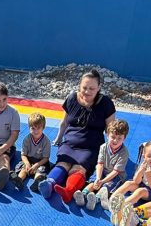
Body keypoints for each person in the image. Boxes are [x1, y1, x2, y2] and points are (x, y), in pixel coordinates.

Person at [38, 69, 116, 200]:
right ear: (79, 86)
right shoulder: (72, 98)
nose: (87, 91)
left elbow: (111, 130)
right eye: (84, 87)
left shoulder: (106, 103)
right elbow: (64, 123)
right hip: (70, 142)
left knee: (79, 168)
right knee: (63, 163)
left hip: (91, 146)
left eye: (92, 88)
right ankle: (49, 184)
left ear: (99, 88)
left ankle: (68, 191)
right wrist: (58, 139)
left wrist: (110, 151)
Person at [112, 139, 151, 226]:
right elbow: (136, 181)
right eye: (149, 156)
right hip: (143, 185)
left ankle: (122, 208)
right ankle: (113, 200)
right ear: (144, 156)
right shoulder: (144, 163)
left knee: (140, 191)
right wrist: (140, 171)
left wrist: (149, 177)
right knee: (128, 183)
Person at [73, 119, 129, 210]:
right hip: (103, 171)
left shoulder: (124, 153)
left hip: (116, 176)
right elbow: (100, 164)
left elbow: (116, 172)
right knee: (93, 181)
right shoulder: (103, 147)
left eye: (119, 138)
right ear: (107, 135)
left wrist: (102, 181)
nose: (115, 140)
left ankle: (95, 199)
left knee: (106, 186)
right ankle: (83, 195)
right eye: (113, 137)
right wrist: (98, 178)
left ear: (124, 139)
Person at [10, 112, 51, 192]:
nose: (35, 131)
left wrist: (36, 165)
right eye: (33, 128)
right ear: (29, 127)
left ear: (43, 127)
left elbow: (46, 158)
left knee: (40, 171)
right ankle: (19, 180)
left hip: (40, 162)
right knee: (23, 169)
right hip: (29, 159)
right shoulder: (27, 139)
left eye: (38, 128)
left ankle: (37, 181)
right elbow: (23, 155)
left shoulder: (46, 141)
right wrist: (27, 163)